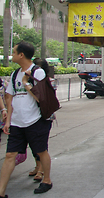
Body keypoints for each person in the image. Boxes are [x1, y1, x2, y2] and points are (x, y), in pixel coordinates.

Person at [0, 42, 53, 196]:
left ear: (21, 55)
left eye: (14, 52)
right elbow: (9, 97)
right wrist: (8, 120)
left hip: (35, 120)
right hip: (17, 122)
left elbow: (41, 98)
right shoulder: (15, 73)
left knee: (40, 151)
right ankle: (1, 192)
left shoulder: (38, 72)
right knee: (10, 154)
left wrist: (26, 84)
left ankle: (47, 180)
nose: (12, 55)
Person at [27, 58, 51, 182]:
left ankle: (41, 170)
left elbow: (40, 98)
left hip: (43, 115)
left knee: (41, 144)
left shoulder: (45, 81)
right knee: (34, 144)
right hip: (33, 116)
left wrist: (27, 85)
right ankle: (38, 166)